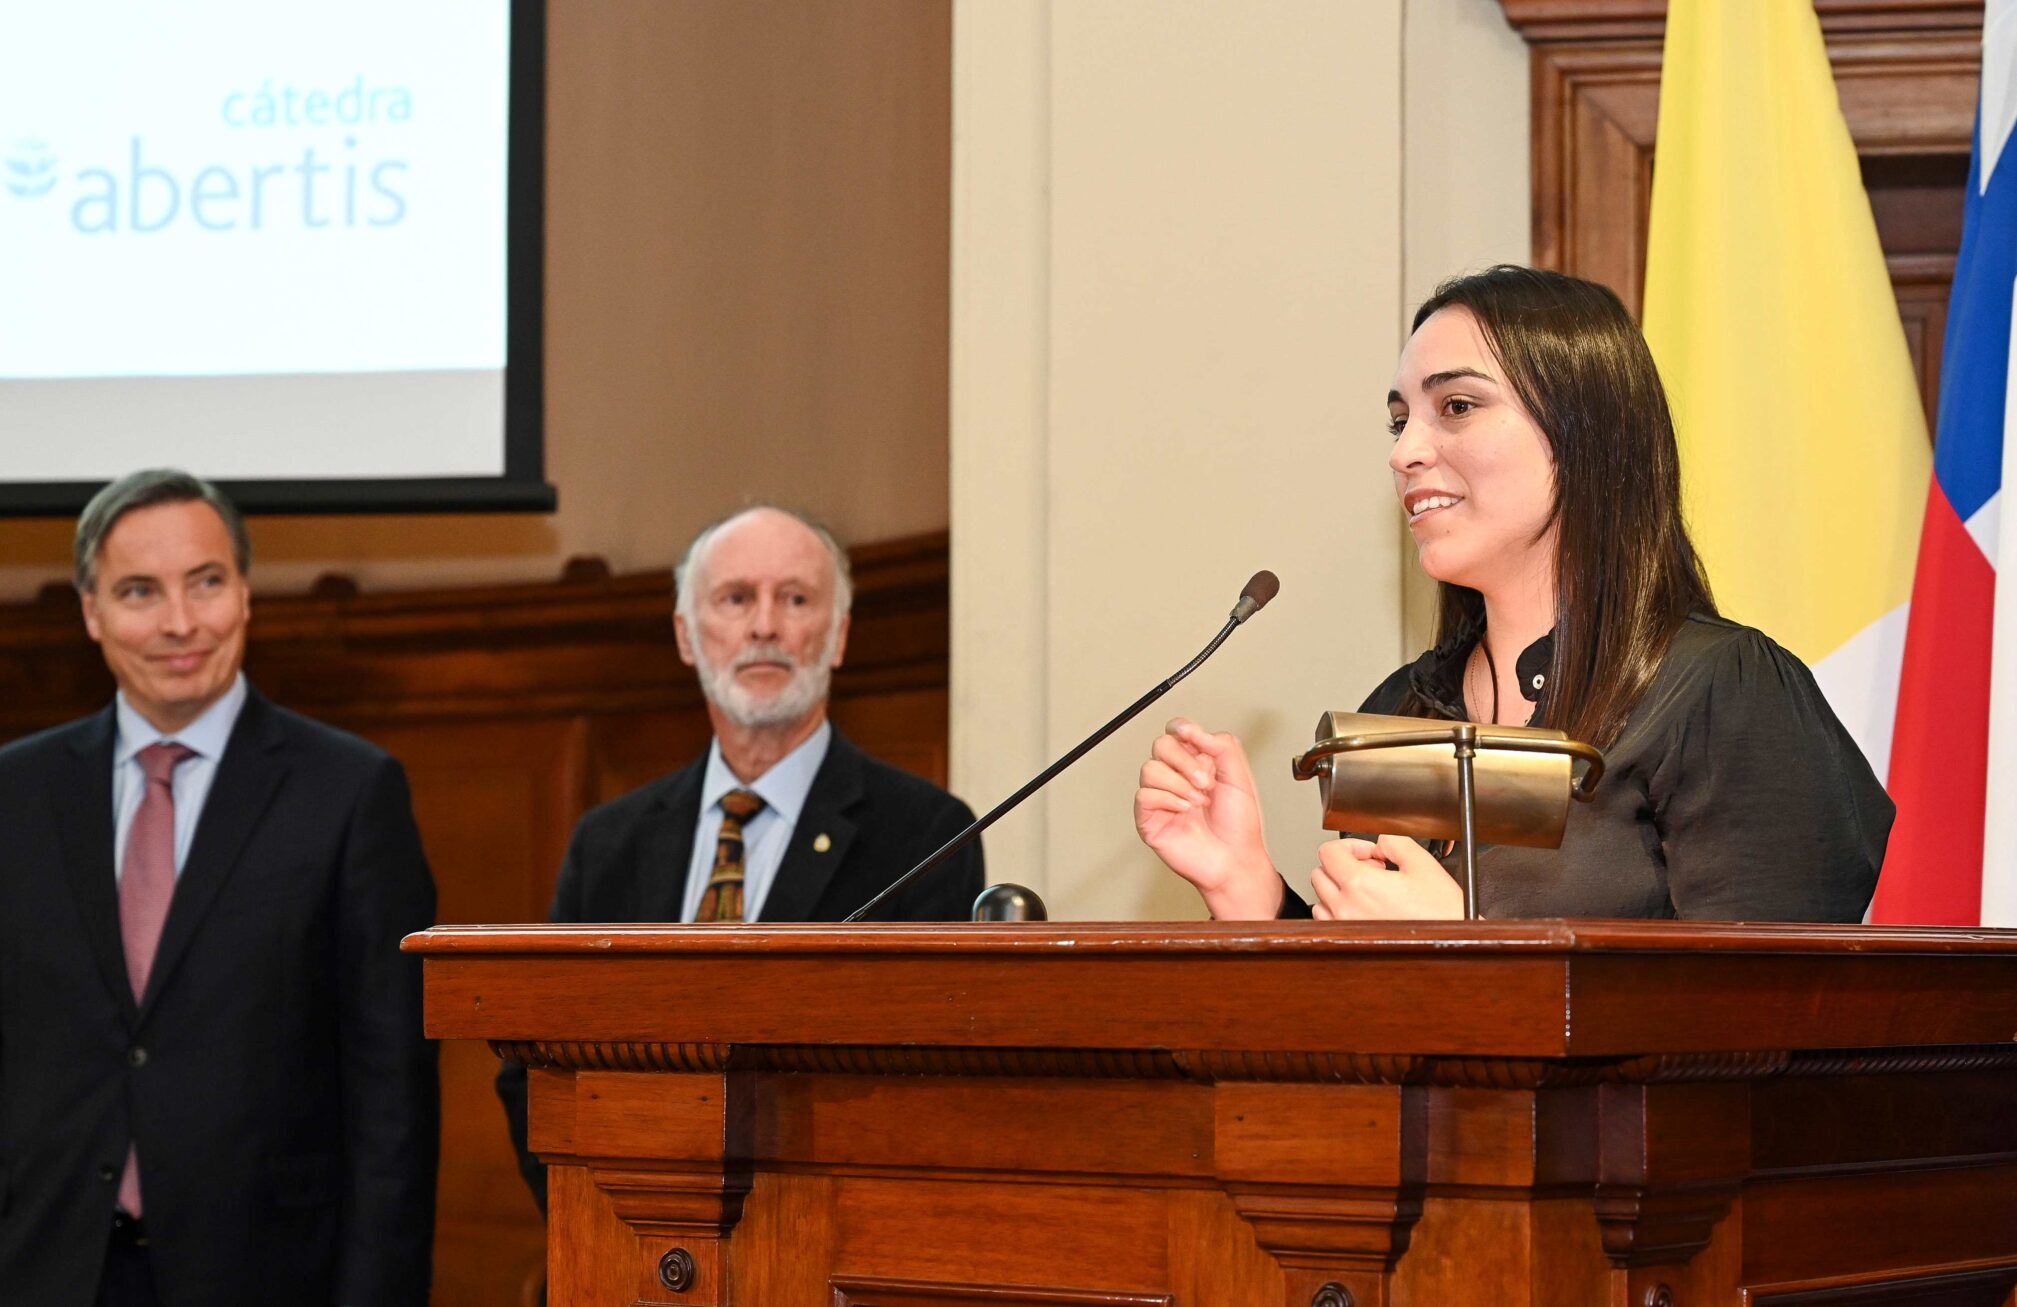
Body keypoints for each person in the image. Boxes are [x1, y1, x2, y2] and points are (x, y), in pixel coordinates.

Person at [1135, 266, 1892, 922]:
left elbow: (1771, 1021)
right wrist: (1250, 888)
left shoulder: (1721, 689)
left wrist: (1474, 943)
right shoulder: (1403, 708)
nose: (1405, 452)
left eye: (1456, 407)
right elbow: (1367, 1003)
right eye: (1399, 421)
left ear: (1586, 432)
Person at [0, 469, 438, 1307]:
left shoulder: (349, 793)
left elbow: (394, 1104)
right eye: (139, 591)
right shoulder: (15, 798)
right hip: (48, 1271)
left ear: (245, 593)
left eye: (205, 582)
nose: (178, 622)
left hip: (269, 1278)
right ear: (90, 611)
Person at [496, 504, 985, 1209]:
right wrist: (607, 1217)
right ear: (686, 636)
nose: (764, 626)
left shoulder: (927, 835)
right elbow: (533, 1069)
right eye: (735, 598)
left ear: (839, 635)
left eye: (795, 598)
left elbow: (932, 1093)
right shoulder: (609, 840)